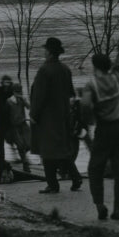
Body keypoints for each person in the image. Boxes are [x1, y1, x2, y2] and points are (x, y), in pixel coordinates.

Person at [79, 27, 119, 220]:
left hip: (104, 129)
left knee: (95, 168)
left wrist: (88, 120)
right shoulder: (116, 78)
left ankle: (100, 204)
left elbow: (85, 105)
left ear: (95, 66)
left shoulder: (91, 85)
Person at [29, 37, 83, 193]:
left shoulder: (44, 70)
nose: (44, 52)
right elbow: (71, 93)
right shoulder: (65, 69)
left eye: (45, 50)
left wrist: (34, 114)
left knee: (47, 152)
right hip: (63, 116)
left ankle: (52, 184)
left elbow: (39, 96)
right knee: (61, 150)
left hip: (47, 118)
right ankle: (75, 177)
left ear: (50, 52)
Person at [4, 81, 30, 168]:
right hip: (14, 127)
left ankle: (24, 157)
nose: (20, 93)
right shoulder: (9, 101)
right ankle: (25, 162)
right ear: (14, 92)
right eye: (18, 92)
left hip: (23, 124)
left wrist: (24, 100)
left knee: (30, 143)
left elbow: (29, 107)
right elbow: (6, 115)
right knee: (20, 145)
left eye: (21, 91)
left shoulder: (22, 100)